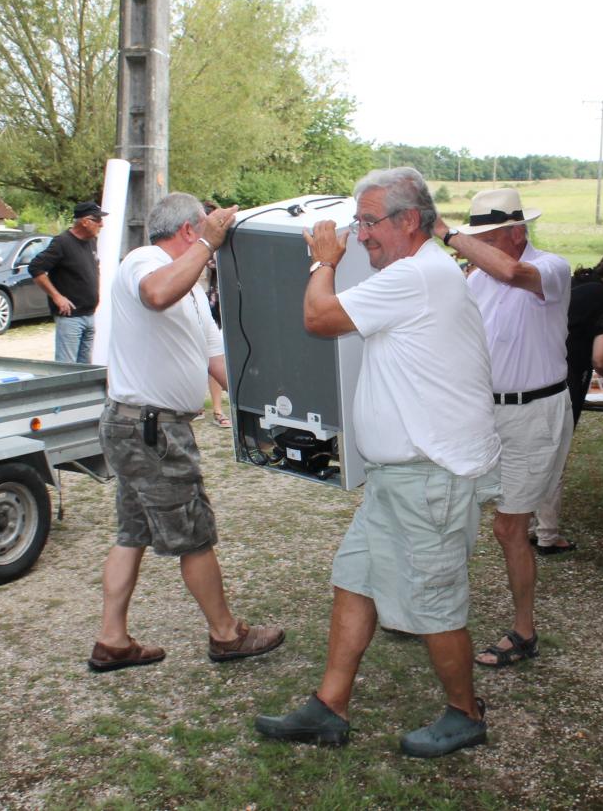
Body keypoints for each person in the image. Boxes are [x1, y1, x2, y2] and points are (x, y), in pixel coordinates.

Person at [255, 168, 501, 758]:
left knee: (433, 601)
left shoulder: (418, 275)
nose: (360, 234)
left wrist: (323, 261)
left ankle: (466, 714)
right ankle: (329, 706)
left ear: (409, 220)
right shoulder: (415, 274)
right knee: (356, 580)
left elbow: (319, 317)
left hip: (429, 475)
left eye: (368, 222)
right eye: (357, 222)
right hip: (400, 475)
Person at [88, 192, 285, 673]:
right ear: (188, 230)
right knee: (194, 533)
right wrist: (208, 244)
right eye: (207, 230)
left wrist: (274, 410)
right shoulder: (146, 260)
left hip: (144, 428)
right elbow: (155, 294)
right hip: (150, 430)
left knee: (131, 533)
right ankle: (226, 634)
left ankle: (112, 640)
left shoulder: (192, 292)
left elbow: (221, 366)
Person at [438, 188, 573, 667]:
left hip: (533, 414)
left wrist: (447, 234)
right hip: (483, 411)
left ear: (518, 233)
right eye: (476, 240)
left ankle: (524, 632)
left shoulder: (551, 268)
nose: (478, 249)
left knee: (509, 526)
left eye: (487, 239)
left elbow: (514, 273)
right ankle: (432, 614)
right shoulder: (477, 278)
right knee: (448, 511)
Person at [532, 250, 603, 551]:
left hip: (535, 376)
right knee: (554, 457)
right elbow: (600, 357)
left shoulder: (573, 283)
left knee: (534, 453)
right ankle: (548, 535)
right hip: (565, 382)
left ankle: (529, 525)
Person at [29, 200, 105, 363]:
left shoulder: (91, 241)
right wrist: (56, 296)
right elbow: (36, 268)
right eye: (98, 220)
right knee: (67, 367)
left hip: (89, 314)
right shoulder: (62, 242)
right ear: (85, 221)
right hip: (71, 318)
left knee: (85, 369)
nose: (101, 224)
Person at [201, 201, 231, 428]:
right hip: (210, 303)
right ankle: (210, 408)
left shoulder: (227, 241)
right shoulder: (200, 247)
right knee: (210, 355)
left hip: (225, 305)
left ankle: (220, 409)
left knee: (217, 356)